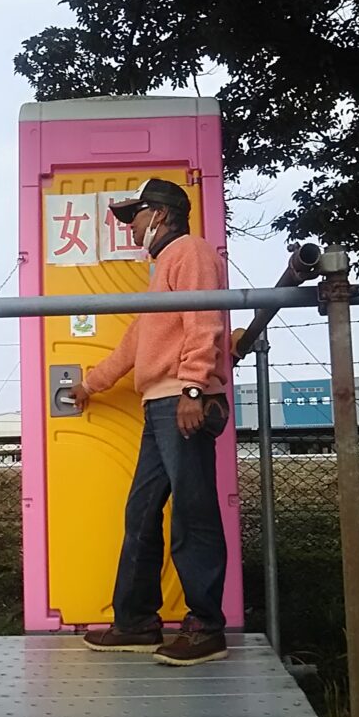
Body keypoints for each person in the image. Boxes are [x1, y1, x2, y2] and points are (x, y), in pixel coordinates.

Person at [69, 178, 231, 667]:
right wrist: (90, 384)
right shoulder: (163, 270)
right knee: (141, 513)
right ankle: (137, 621)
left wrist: (193, 388)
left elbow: (206, 322)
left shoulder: (191, 251)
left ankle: (206, 628)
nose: (132, 227)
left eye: (135, 216)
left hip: (182, 400)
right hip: (159, 405)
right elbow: (135, 342)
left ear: (159, 213)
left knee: (192, 513)